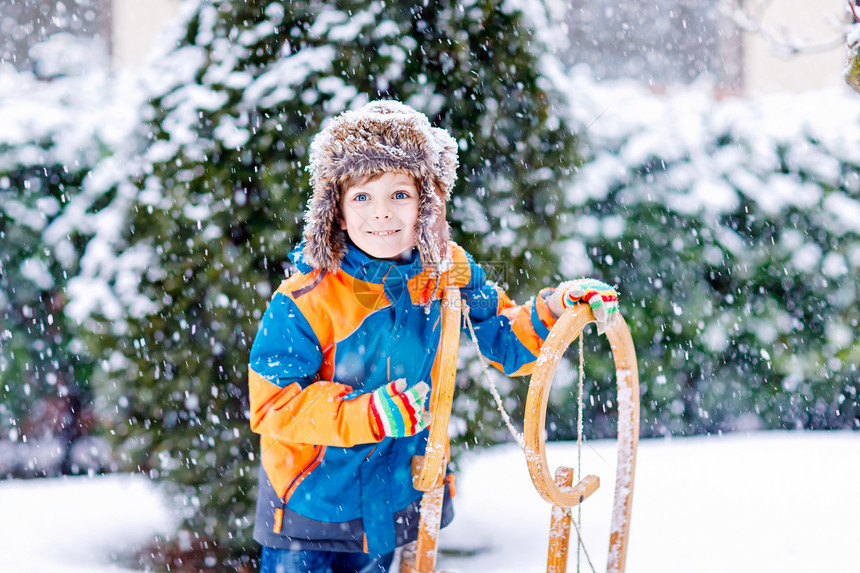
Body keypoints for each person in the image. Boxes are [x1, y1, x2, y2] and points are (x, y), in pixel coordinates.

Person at [248, 100, 618, 573]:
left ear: (427, 203)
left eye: (399, 194)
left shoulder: (448, 272)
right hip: (313, 510)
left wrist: (556, 310)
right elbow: (273, 403)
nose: (381, 213)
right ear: (336, 212)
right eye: (362, 197)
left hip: (398, 496)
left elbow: (503, 338)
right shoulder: (305, 299)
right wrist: (369, 414)